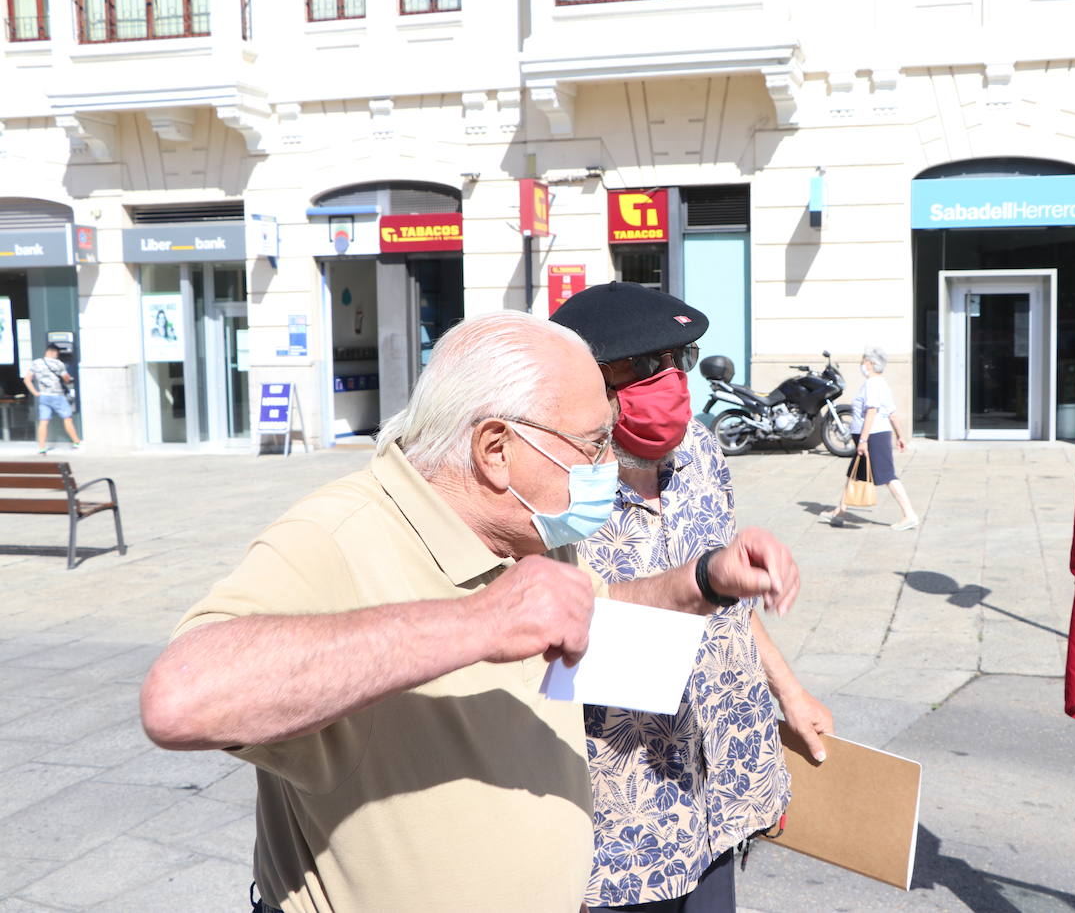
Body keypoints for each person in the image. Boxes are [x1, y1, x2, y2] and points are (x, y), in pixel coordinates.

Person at [139, 312, 798, 913]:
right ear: (496, 450)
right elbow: (181, 697)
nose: (608, 462)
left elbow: (591, 623)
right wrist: (478, 623)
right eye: (593, 444)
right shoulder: (338, 533)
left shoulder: (533, 532)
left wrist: (707, 579)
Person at [552, 282, 830, 911]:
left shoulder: (700, 451)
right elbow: (554, 647)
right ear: (586, 380)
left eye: (682, 359)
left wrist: (788, 691)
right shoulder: (550, 490)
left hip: (722, 794)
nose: (672, 379)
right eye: (647, 365)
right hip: (622, 822)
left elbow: (726, 598)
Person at [822, 346, 919, 530]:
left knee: (887, 476)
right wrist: (900, 435)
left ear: (871, 364)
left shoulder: (872, 384)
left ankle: (909, 514)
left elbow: (872, 412)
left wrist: (864, 440)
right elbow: (892, 413)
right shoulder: (882, 383)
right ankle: (839, 512)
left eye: (863, 361)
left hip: (873, 437)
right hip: (875, 435)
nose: (862, 364)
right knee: (854, 474)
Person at [23, 344, 82, 455]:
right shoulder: (58, 364)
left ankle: (41, 448)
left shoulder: (36, 363)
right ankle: (76, 442)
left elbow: (27, 380)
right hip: (58, 396)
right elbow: (67, 379)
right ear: (53, 352)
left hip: (43, 396)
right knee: (67, 418)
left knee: (43, 422)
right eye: (57, 353)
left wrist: (35, 393)